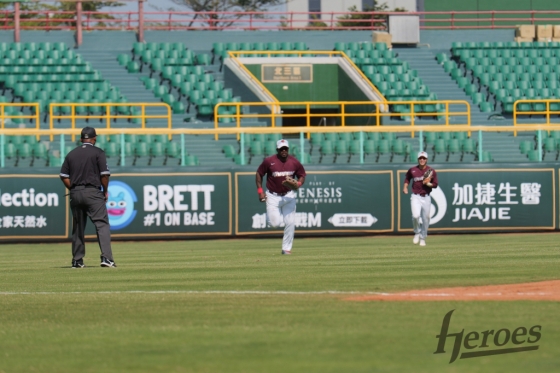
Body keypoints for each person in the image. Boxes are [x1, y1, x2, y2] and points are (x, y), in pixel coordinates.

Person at [59, 126, 116, 268]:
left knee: (78, 227)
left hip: (76, 193)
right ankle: (107, 259)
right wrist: (105, 190)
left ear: (81, 139)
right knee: (102, 224)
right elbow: (104, 174)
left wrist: (73, 188)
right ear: (94, 138)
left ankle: (77, 261)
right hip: (92, 192)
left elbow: (63, 176)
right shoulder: (98, 152)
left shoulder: (71, 154)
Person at [255, 139, 306, 255]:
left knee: (290, 222)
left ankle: (286, 249)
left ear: (288, 149)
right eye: (281, 149)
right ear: (277, 150)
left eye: (285, 148)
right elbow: (259, 173)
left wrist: (298, 183)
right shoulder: (269, 161)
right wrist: (260, 191)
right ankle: (270, 216)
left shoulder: (294, 162)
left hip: (289, 196)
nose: (284, 151)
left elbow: (302, 175)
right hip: (273, 196)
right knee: (274, 224)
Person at [403, 151, 438, 247]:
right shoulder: (412, 170)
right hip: (415, 196)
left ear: (426, 159)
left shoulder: (431, 171)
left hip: (426, 196)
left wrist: (428, 183)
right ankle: (417, 232)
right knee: (415, 216)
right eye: (420, 158)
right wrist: (405, 187)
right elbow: (407, 179)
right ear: (418, 159)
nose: (422, 160)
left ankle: (423, 238)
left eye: (424, 158)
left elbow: (435, 184)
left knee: (426, 219)